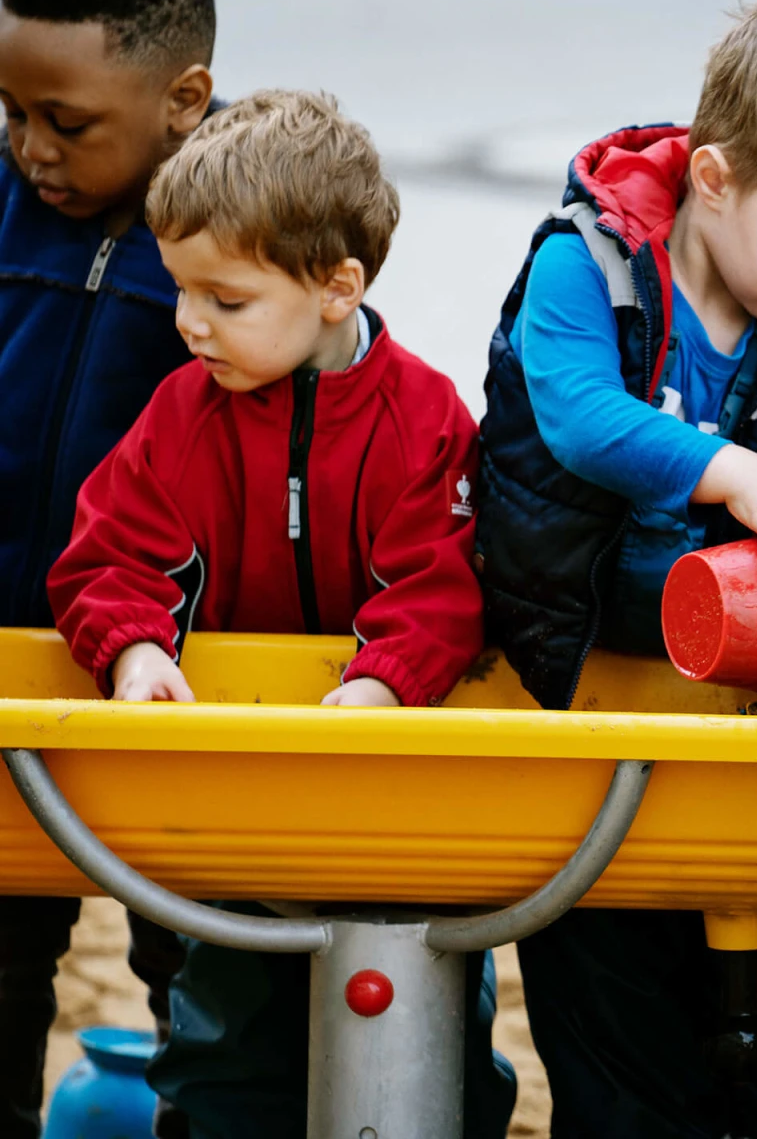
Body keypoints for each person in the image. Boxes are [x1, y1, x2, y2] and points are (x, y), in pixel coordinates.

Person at [46, 89, 516, 1138]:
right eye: (181, 290)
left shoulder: (426, 417)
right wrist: (131, 651)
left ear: (337, 286)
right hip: (239, 801)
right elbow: (107, 553)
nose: (189, 321)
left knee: (437, 1046)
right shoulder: (182, 411)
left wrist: (383, 681)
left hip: (400, 804)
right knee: (220, 1051)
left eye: (227, 297)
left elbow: (444, 582)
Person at [474, 0, 757, 1137]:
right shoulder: (590, 259)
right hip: (583, 700)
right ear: (712, 178)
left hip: (734, 721)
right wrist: (730, 473)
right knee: (618, 1049)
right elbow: (576, 417)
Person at [0, 0, 217, 1139]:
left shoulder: (256, 222)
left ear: (184, 98)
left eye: (66, 123)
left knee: (199, 984)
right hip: (7, 673)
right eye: (10, 111)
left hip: (171, 687)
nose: (32, 147)